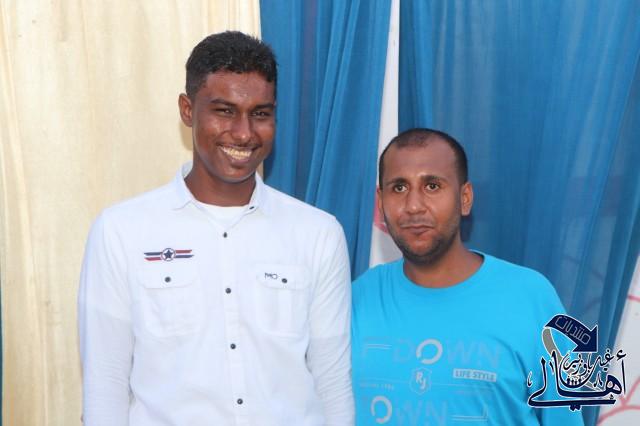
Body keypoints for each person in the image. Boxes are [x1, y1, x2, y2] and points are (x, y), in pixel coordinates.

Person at [78, 31, 353, 426]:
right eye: (224, 111)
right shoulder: (121, 232)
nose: (243, 133)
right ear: (187, 110)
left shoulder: (318, 234)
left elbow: (332, 384)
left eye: (260, 113)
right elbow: (105, 385)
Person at [351, 128, 584, 425]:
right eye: (399, 187)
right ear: (380, 202)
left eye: (432, 186)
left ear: (465, 198)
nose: (413, 205)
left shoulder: (531, 297)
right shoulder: (358, 298)